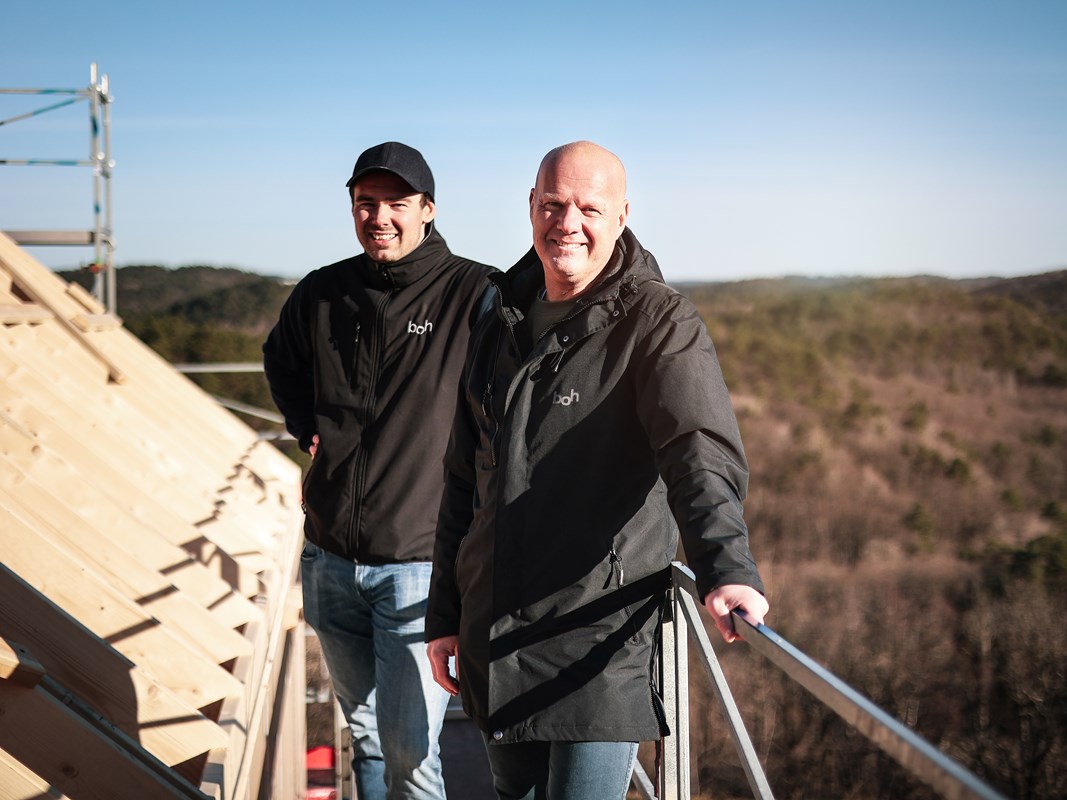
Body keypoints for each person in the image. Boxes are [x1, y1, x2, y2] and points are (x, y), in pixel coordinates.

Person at [425, 140, 769, 799]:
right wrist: (445, 613)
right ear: (530, 206)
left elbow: (697, 449)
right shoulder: (499, 319)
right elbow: (465, 480)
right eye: (553, 204)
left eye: (589, 206)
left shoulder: (657, 321)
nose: (568, 222)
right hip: (496, 641)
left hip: (595, 645)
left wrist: (725, 566)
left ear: (622, 215)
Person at [263, 141, 496, 800]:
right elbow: (280, 358)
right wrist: (304, 423)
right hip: (330, 559)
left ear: (428, 209)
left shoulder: (475, 293)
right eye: (366, 203)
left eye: (396, 203)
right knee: (364, 735)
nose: (380, 217)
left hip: (416, 568)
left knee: (411, 754)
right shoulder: (324, 292)